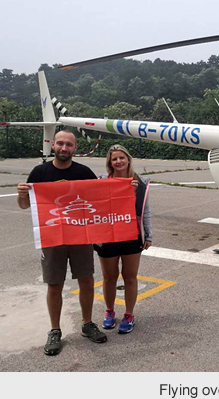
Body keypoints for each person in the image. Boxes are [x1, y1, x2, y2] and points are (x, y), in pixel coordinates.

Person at [17, 130, 107, 356]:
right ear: (52, 145)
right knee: (54, 284)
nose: (64, 148)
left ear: (75, 148)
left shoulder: (84, 172)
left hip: (80, 236)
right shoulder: (40, 172)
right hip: (52, 237)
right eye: (60, 144)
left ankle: (87, 324)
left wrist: (126, 189)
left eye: (69, 144)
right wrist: (21, 194)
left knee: (86, 281)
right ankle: (55, 330)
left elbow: (101, 199)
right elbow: (24, 205)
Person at [95, 145, 152, 334]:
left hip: (131, 235)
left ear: (128, 159)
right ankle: (109, 311)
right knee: (109, 277)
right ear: (110, 163)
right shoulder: (102, 181)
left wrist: (148, 234)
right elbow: (96, 206)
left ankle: (129, 314)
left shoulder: (141, 182)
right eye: (114, 159)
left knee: (130, 277)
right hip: (108, 235)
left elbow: (145, 211)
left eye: (121, 158)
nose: (118, 161)